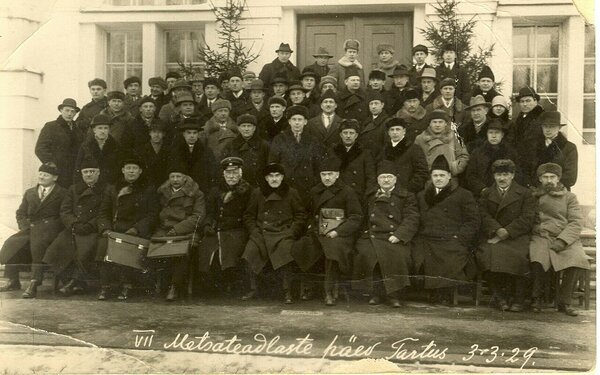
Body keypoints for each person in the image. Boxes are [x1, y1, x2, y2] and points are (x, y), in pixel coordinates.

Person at [413, 155, 480, 305]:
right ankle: (431, 291)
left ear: (449, 176)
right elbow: (416, 219)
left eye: (442, 175)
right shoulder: (422, 196)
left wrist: (460, 238)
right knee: (417, 254)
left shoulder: (463, 195)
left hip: (451, 238)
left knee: (450, 257)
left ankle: (444, 292)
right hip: (427, 238)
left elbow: (473, 221)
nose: (438, 178)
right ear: (431, 177)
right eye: (435, 175)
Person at [354, 160, 420, 307]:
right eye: (382, 177)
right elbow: (362, 216)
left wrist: (399, 235)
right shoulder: (370, 195)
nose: (386, 180)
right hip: (372, 235)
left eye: (389, 177)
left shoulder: (406, 196)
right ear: (378, 180)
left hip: (394, 235)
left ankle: (394, 295)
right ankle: (376, 293)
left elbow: (412, 218)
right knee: (368, 253)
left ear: (395, 179)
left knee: (396, 255)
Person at [529, 163, 590, 316]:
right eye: (545, 177)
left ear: (558, 179)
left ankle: (565, 301)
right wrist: (537, 229)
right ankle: (536, 298)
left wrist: (562, 241)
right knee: (538, 258)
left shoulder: (570, 197)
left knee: (576, 259)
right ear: (540, 179)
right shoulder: (534, 196)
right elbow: (529, 218)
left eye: (552, 177)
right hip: (541, 235)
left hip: (565, 237)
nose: (549, 180)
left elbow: (576, 222)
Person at [242, 163, 307, 303]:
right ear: (266, 178)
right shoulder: (258, 193)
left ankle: (287, 291)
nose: (274, 179)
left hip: (283, 233)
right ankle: (254, 289)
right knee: (250, 251)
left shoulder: (291, 193)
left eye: (277, 176)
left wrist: (292, 232)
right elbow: (248, 216)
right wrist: (254, 231)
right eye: (271, 176)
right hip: (261, 233)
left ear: (282, 177)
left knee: (285, 251)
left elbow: (300, 215)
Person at [96, 157, 159, 301]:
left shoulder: (148, 189)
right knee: (103, 245)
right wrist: (105, 228)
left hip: (134, 230)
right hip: (113, 229)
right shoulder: (112, 188)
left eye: (134, 168)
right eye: (128, 168)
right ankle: (105, 287)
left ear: (140, 171)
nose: (131, 171)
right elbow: (103, 212)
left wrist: (137, 229)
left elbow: (152, 214)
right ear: (123, 170)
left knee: (127, 247)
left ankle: (126, 285)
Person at [301, 157, 363, 306]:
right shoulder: (315, 191)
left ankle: (328, 291)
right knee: (303, 245)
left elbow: (356, 217)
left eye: (330, 174)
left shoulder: (347, 192)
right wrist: (311, 226)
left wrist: (338, 231)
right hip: (319, 231)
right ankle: (308, 288)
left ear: (337, 175)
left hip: (340, 235)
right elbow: (307, 214)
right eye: (323, 174)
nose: (327, 178)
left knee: (332, 250)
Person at [43, 158, 108, 296]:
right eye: (85, 172)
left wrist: (90, 225)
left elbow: (105, 212)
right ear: (82, 174)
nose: (89, 175)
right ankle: (74, 282)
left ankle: (73, 282)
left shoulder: (106, 189)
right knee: (57, 247)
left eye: (92, 171)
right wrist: (74, 224)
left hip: (92, 229)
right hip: (74, 228)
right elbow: (65, 210)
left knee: (85, 250)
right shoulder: (74, 189)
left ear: (98, 173)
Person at [477, 159, 535, 312]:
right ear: (494, 176)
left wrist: (507, 231)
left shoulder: (525, 193)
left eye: (505, 174)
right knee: (488, 255)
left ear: (513, 175)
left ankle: (518, 298)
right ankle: (499, 297)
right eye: (498, 175)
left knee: (519, 256)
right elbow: (482, 215)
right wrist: (497, 229)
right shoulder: (487, 193)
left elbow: (528, 218)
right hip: (493, 234)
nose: (502, 178)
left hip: (516, 236)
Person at [0, 163, 67, 297]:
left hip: (50, 230)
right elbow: (20, 213)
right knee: (12, 243)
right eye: (40, 173)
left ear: (55, 178)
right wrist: (24, 225)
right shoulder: (30, 192)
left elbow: (64, 214)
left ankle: (34, 282)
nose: (41, 177)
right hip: (30, 228)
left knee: (38, 245)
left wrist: (53, 226)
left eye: (46, 175)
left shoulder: (62, 193)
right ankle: (13, 280)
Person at [152, 163, 205, 301]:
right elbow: (155, 212)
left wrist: (177, 230)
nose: (175, 179)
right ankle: (160, 284)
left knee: (181, 251)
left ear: (185, 178)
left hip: (184, 230)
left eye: (178, 176)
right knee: (153, 247)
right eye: (172, 176)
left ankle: (174, 286)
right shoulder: (162, 192)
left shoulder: (196, 194)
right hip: (164, 229)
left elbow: (197, 217)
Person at [199, 157, 251, 297]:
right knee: (207, 248)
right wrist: (207, 225)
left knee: (229, 253)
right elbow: (210, 212)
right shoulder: (216, 191)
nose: (231, 176)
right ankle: (211, 287)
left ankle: (230, 285)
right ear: (223, 174)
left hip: (237, 230)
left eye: (235, 173)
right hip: (217, 229)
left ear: (240, 174)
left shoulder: (247, 191)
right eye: (228, 173)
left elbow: (249, 214)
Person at [269, 105, 325, 204]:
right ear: (289, 122)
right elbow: (273, 164)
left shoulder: (313, 140)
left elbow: (318, 165)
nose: (297, 122)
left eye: (300, 119)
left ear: (305, 122)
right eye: (294, 119)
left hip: (307, 186)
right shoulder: (280, 139)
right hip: (287, 185)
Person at [35, 98, 85, 188]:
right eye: (67, 110)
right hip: (56, 171)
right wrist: (51, 164)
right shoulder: (51, 126)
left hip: (73, 172)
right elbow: (40, 148)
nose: (69, 114)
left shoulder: (77, 130)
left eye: (72, 111)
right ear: (61, 110)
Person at [465, 119, 521, 198]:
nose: (493, 136)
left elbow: (517, 173)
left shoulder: (511, 152)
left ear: (502, 135)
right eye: (490, 132)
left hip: (506, 194)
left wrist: (506, 189)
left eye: (497, 133)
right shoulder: (477, 153)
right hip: (483, 194)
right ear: (487, 134)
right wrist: (482, 189)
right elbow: (471, 175)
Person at [378, 117, 429, 194]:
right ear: (388, 132)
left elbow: (422, 172)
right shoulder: (384, 150)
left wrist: (408, 189)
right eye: (392, 130)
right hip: (388, 192)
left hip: (407, 192)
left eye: (398, 129)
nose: (395, 132)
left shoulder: (414, 148)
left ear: (404, 131)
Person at [330, 119, 376, 201]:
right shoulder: (333, 151)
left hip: (358, 195)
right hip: (337, 194)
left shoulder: (365, 153)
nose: (348, 136)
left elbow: (370, 177)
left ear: (356, 135)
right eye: (345, 133)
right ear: (340, 135)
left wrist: (367, 196)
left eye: (351, 133)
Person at [414, 109, 469, 177]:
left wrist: (455, 168)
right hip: (427, 178)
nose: (437, 125)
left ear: (445, 123)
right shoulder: (420, 139)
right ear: (430, 124)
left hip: (450, 177)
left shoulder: (454, 137)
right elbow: (415, 160)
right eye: (434, 122)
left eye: (440, 122)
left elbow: (463, 156)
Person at [221, 114, 270, 187]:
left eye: (249, 126)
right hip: (236, 186)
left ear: (254, 128)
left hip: (258, 186)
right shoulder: (230, 145)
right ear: (239, 128)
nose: (246, 129)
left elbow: (268, 167)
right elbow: (223, 168)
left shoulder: (264, 145)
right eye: (243, 126)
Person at [169, 118, 217, 193]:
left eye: (194, 133)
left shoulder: (206, 151)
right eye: (189, 133)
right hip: (181, 191)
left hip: (201, 190)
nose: (192, 136)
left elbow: (212, 172)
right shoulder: (175, 151)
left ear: (198, 134)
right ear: (184, 134)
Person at [534, 111, 578, 190]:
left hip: (560, 191)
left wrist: (551, 184)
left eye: (552, 126)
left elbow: (571, 177)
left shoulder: (569, 147)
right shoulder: (534, 146)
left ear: (559, 128)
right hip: (537, 191)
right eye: (545, 126)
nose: (547, 130)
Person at [511, 86, 545, 187]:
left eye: (528, 101)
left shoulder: (542, 118)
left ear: (535, 101)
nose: (525, 104)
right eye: (522, 101)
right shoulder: (520, 118)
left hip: (536, 165)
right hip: (521, 166)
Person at [74, 114, 122, 185]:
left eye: (106, 128)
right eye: (100, 128)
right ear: (94, 130)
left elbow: (119, 168)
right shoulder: (86, 146)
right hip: (91, 184)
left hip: (110, 184)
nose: (103, 131)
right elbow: (78, 168)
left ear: (109, 130)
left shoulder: (115, 145)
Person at [135, 120, 171, 188]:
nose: (156, 135)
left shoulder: (169, 149)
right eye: (154, 132)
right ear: (150, 133)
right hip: (146, 184)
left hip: (165, 184)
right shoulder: (142, 149)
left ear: (164, 134)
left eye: (159, 132)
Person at [358, 91, 389, 158]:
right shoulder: (366, 122)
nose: (373, 106)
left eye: (376, 103)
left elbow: (387, 145)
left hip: (378, 159)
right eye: (371, 104)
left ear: (382, 105)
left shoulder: (387, 122)